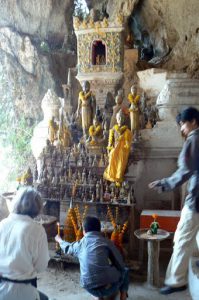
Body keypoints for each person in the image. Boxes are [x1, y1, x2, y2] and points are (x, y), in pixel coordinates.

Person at [148, 106, 199, 295]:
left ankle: (177, 281)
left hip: (197, 199)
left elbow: (185, 171)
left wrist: (164, 183)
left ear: (193, 121)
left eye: (183, 124)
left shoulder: (194, 139)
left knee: (182, 237)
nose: (182, 129)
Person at [55, 216, 129, 300]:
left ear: (83, 231)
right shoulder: (106, 242)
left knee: (93, 277)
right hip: (109, 287)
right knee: (125, 270)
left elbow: (67, 248)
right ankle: (123, 296)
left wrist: (59, 240)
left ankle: (97, 297)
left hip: (89, 287)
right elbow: (120, 263)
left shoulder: (79, 244)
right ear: (99, 230)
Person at [0, 187, 49, 300]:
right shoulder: (37, 230)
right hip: (25, 290)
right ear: (37, 207)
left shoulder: (2, 224)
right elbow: (41, 267)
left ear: (16, 203)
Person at [104, 109, 132, 185]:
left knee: (121, 157)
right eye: (118, 118)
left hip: (122, 149)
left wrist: (126, 146)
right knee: (112, 155)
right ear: (116, 119)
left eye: (121, 118)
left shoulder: (127, 131)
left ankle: (118, 177)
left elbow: (127, 144)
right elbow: (110, 141)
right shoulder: (113, 129)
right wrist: (109, 148)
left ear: (123, 119)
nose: (120, 119)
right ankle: (112, 176)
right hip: (115, 148)